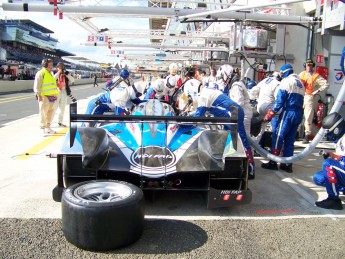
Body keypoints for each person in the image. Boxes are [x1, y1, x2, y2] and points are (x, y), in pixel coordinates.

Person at [194, 86, 255, 180]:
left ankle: (249, 169)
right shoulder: (210, 90)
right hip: (233, 113)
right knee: (231, 141)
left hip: (232, 114)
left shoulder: (203, 96)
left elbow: (198, 116)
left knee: (241, 142)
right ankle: (234, 168)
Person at [261, 64, 305, 173]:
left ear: (284, 72)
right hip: (298, 113)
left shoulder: (286, 82)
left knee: (278, 136)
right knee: (290, 140)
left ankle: (273, 162)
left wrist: (270, 114)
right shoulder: (300, 84)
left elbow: (279, 101)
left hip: (288, 113)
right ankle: (287, 164)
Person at [313, 113, 345, 210]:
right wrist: (334, 155)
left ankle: (333, 200)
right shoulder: (341, 138)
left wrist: (336, 159)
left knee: (328, 164)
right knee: (319, 178)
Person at [217, 64, 253, 136]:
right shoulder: (232, 85)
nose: (222, 80)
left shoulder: (236, 86)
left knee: (243, 139)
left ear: (226, 75)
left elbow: (238, 103)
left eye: (222, 77)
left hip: (243, 115)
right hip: (238, 115)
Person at [299, 59, 329, 144]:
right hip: (300, 96)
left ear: (313, 66)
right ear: (305, 66)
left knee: (308, 116)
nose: (309, 67)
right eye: (308, 65)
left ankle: (307, 135)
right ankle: (296, 133)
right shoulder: (302, 74)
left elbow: (326, 84)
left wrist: (317, 91)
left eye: (311, 65)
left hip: (309, 97)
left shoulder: (316, 76)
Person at [33, 58, 59, 136]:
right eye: (50, 64)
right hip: (44, 97)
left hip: (52, 97)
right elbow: (37, 85)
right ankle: (42, 129)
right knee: (43, 113)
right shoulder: (41, 73)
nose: (52, 65)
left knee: (50, 113)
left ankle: (48, 127)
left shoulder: (50, 73)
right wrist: (38, 95)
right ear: (45, 64)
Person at [53, 62, 72, 127]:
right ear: (57, 68)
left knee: (62, 108)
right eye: (59, 67)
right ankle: (48, 123)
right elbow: (52, 79)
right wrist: (59, 73)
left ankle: (60, 122)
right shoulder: (54, 74)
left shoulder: (66, 74)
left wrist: (67, 75)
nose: (61, 68)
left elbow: (72, 80)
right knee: (54, 107)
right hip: (56, 91)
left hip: (64, 91)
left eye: (62, 67)